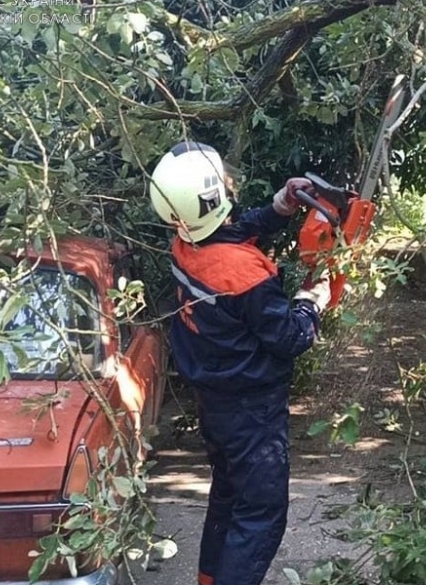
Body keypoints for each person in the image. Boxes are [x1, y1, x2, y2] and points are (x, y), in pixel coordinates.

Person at [147, 141, 331, 585]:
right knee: (261, 514)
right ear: (212, 197)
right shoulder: (244, 273)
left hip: (216, 401)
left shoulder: (185, 241)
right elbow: (288, 338)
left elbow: (232, 231)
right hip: (252, 411)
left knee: (230, 498)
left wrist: (280, 207)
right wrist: (312, 303)